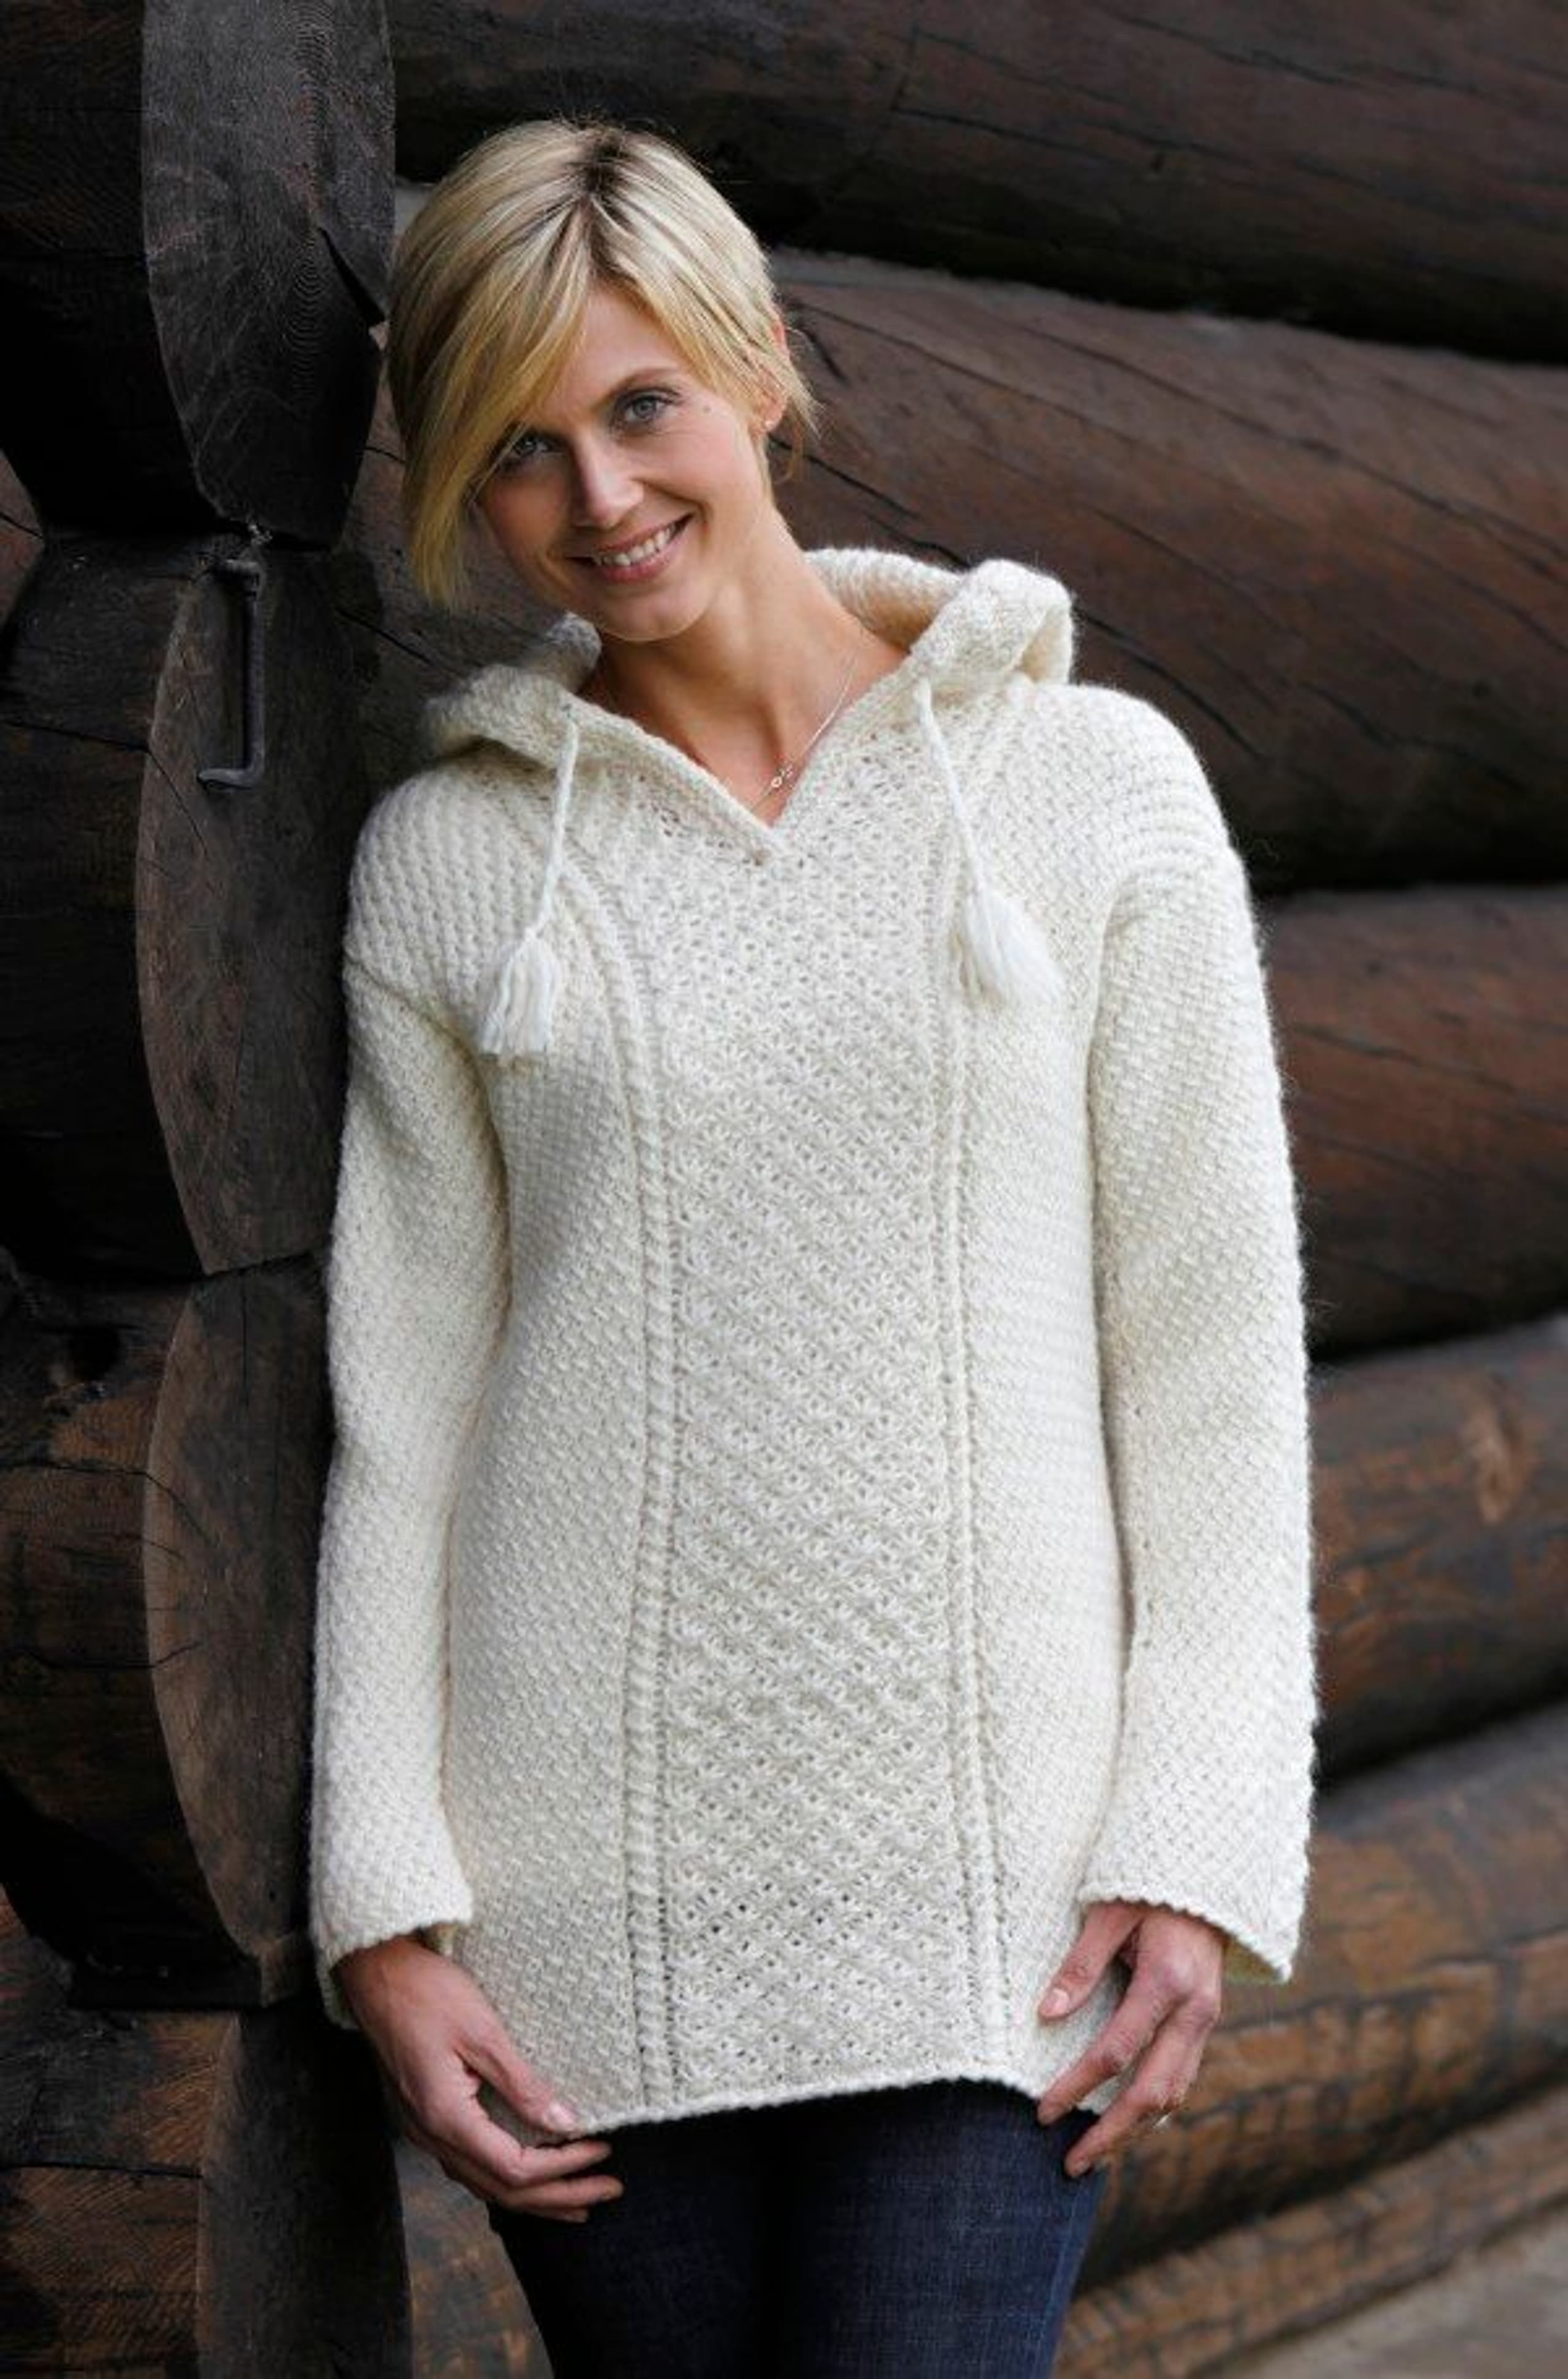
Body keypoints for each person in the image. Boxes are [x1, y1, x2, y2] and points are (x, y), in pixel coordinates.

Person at [307, 116, 1318, 2378]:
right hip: (579, 1921)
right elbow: (406, 1417)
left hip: (995, 1902)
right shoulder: (451, 866)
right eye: (521, 449)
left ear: (760, 367)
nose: (599, 495)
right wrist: (387, 1907)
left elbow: (1214, 1366)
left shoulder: (1093, 792)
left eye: (641, 403)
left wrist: (1196, 1834)